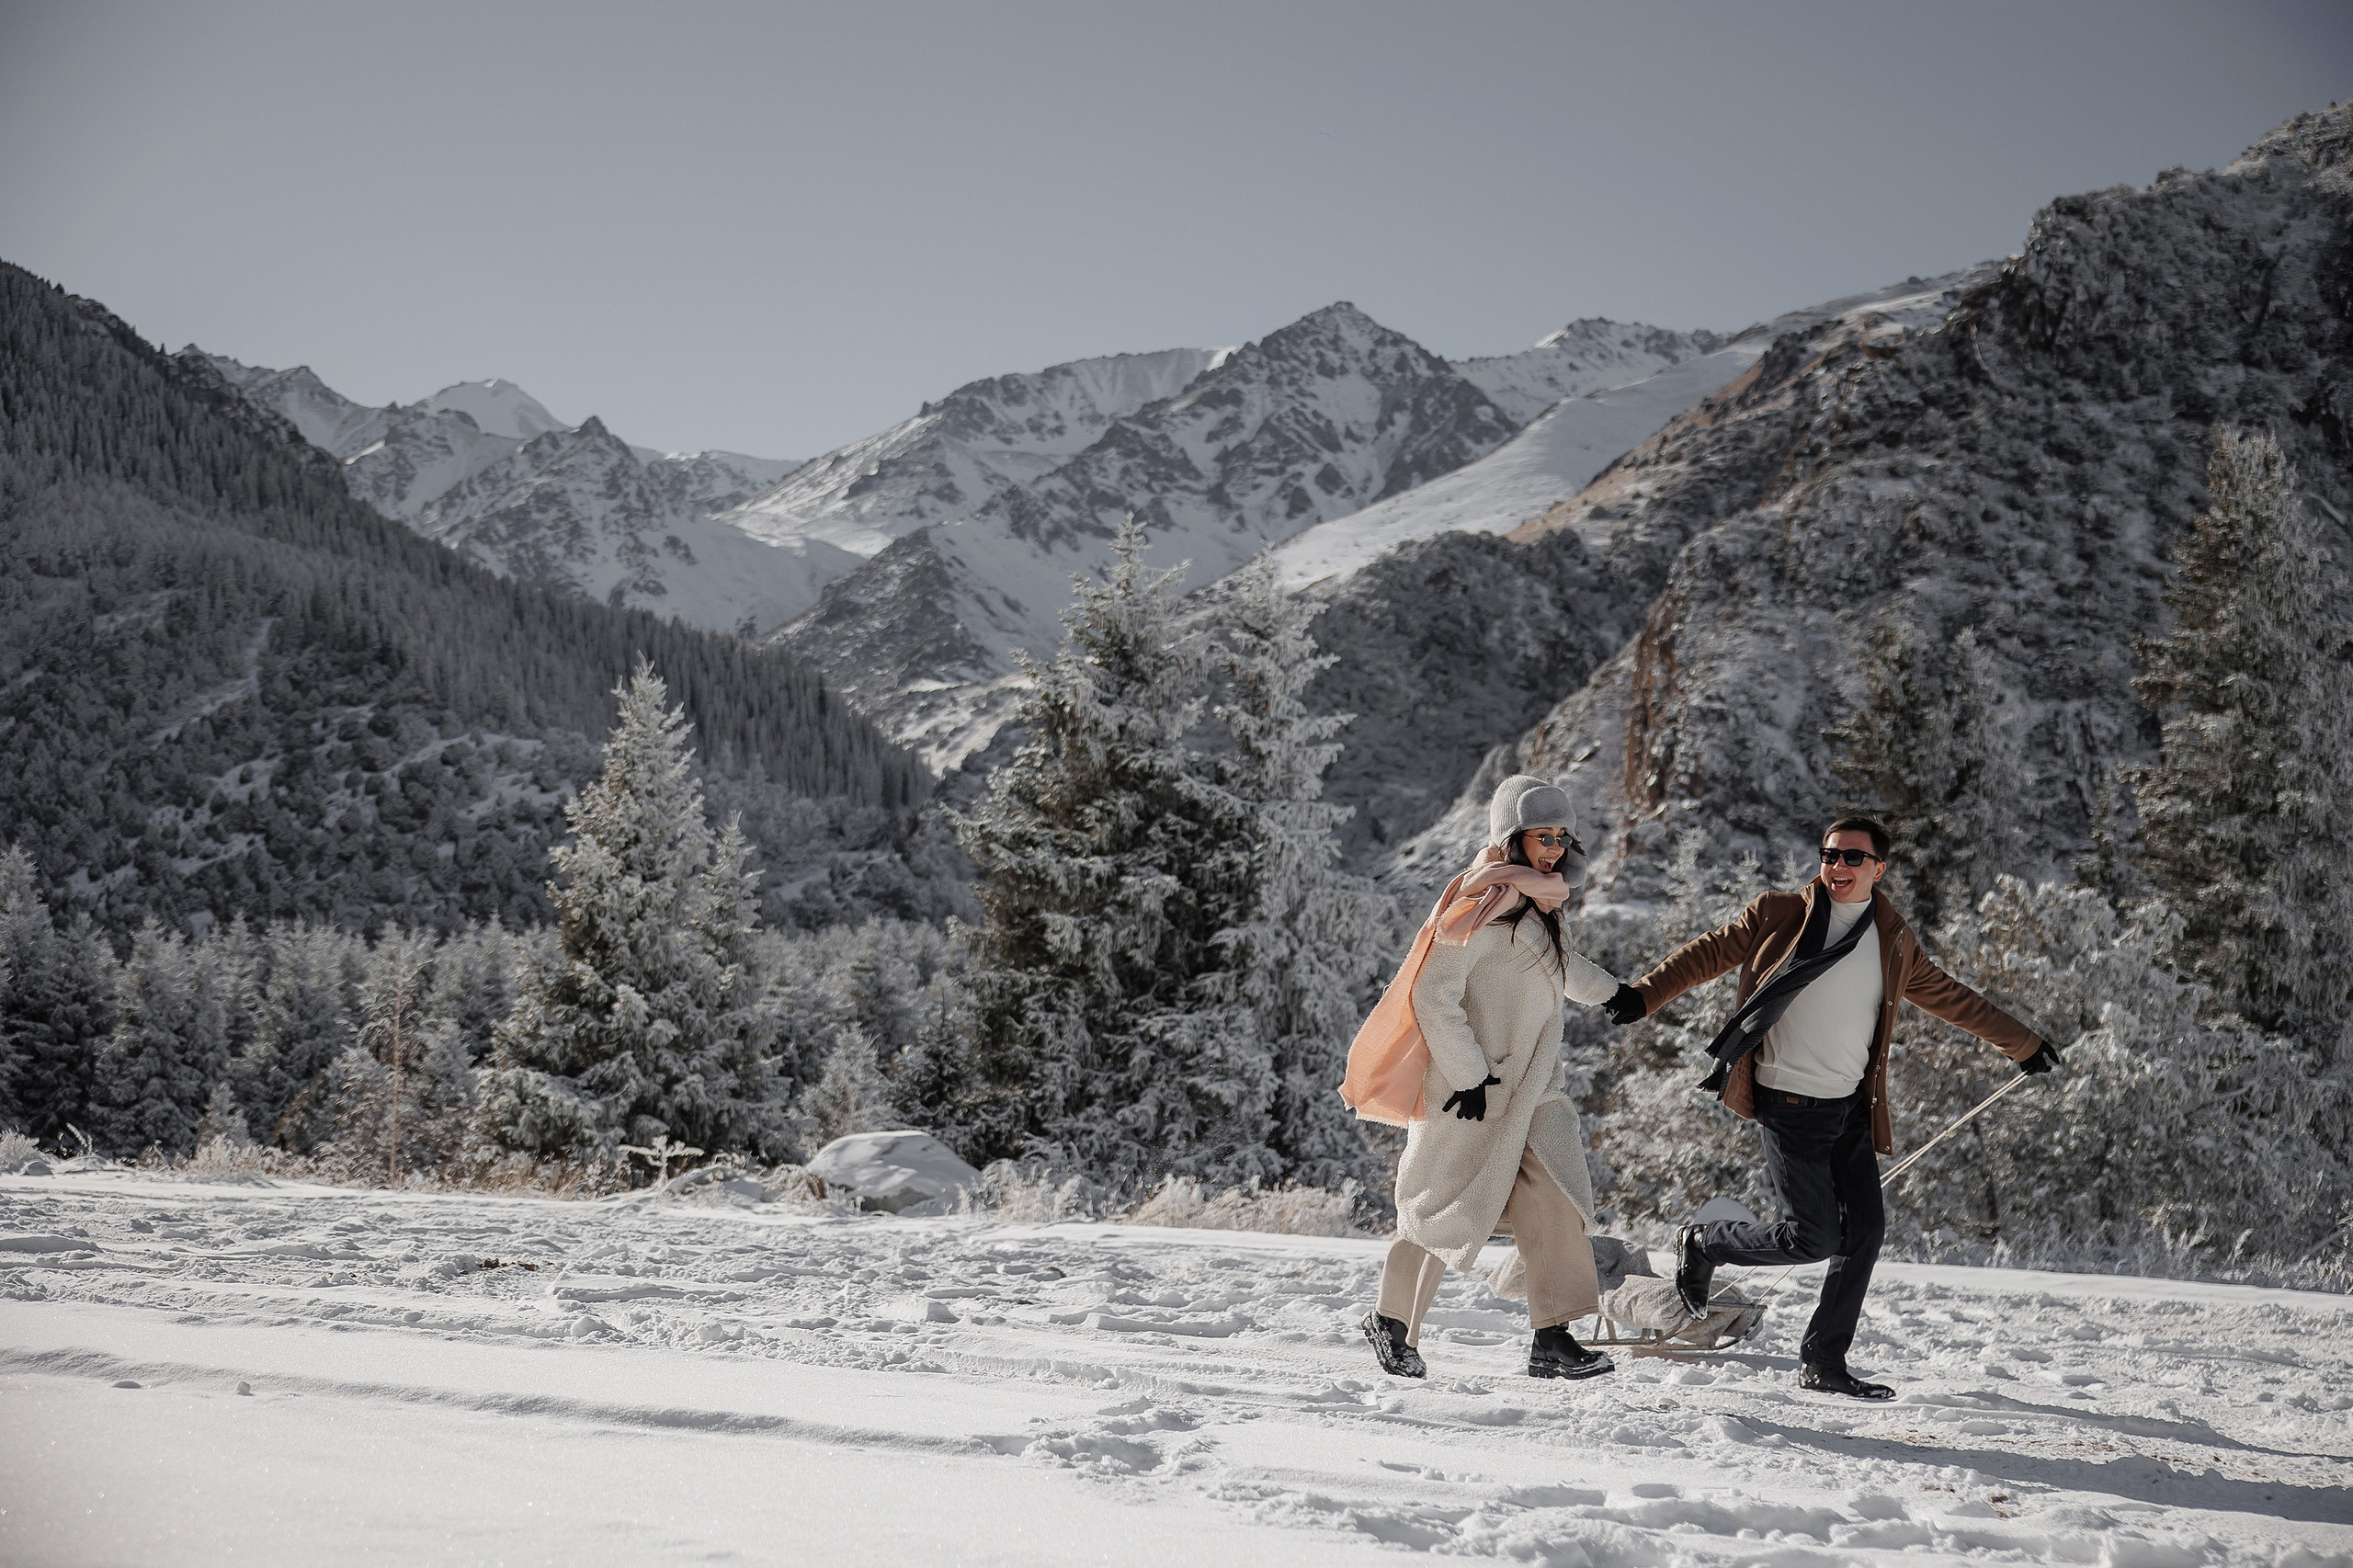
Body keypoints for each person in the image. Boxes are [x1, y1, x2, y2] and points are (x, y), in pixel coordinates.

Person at [1603, 815, 2059, 1400]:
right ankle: (1705, 1242)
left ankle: (1823, 1360)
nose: (1837, 867)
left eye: (1852, 858)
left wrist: (2022, 1044)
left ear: (1878, 869)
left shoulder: (1892, 941)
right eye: (1829, 855)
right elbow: (1708, 953)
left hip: (1847, 1109)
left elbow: (1951, 997)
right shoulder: (1778, 914)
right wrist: (1644, 995)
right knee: (1812, 1238)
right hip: (1788, 1104)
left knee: (1865, 1232)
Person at [1346, 776, 1626, 1381]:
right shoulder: (1476, 904)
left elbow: (1560, 968)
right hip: (1468, 1092)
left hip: (1532, 1090)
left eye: (1562, 837)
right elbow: (1434, 994)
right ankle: (1391, 1322)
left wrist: (1615, 994)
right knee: (1438, 1210)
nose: (1553, 848)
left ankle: (1552, 1338)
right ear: (1511, 837)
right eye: (1541, 836)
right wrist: (1469, 1075)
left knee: (1555, 1197)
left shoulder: (1542, 906)